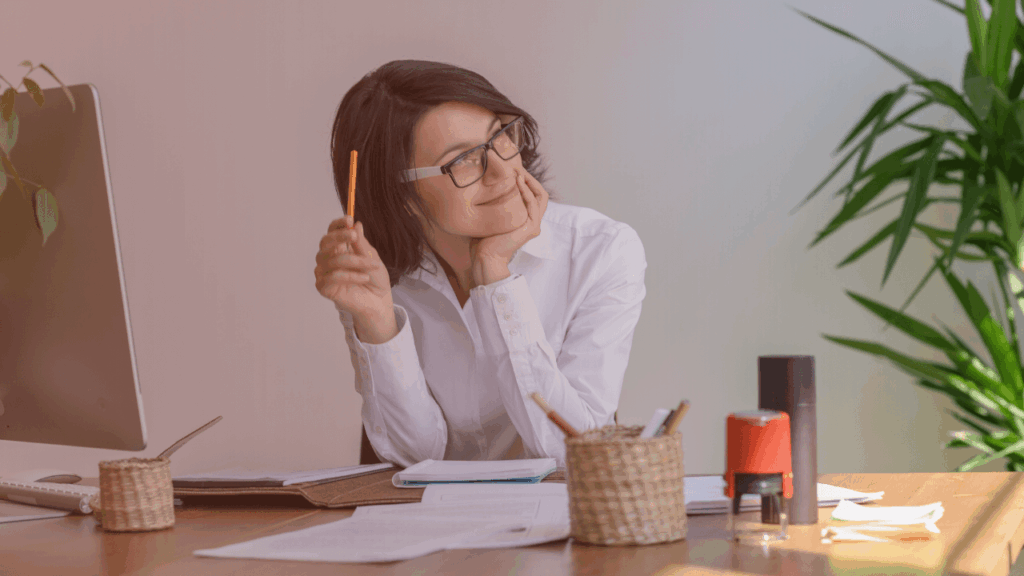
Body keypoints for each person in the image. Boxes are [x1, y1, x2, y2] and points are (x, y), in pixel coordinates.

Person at [314, 60, 647, 468]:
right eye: (465, 160)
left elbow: (575, 449)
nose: (504, 169)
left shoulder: (601, 251)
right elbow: (417, 457)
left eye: (501, 136)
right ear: (400, 194)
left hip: (562, 521)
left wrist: (495, 278)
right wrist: (378, 322)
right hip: (430, 523)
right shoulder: (371, 275)